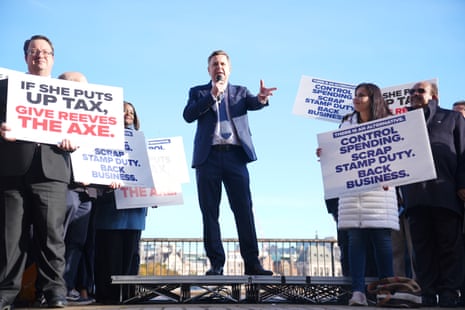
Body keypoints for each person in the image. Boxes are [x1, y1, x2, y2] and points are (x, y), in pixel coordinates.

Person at [183, 50, 277, 276]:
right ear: (209, 70)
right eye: (214, 64)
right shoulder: (198, 92)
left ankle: (252, 263)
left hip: (235, 157)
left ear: (229, 68)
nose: (219, 67)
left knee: (244, 210)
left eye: (223, 64)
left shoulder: (240, 92)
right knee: (210, 212)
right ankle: (216, 264)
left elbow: (253, 103)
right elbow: (188, 115)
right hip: (208, 158)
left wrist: (262, 98)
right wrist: (211, 95)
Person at [0, 35, 77, 309]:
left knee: (51, 235)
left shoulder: (69, 93)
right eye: (33, 51)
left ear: (53, 58)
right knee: (11, 237)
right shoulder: (5, 88)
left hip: (53, 169)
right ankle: (6, 293)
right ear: (25, 57)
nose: (39, 56)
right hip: (13, 169)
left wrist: (75, 140)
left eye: (44, 52)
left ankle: (55, 292)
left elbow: (86, 129)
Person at [317, 83, 399, 306]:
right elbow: (338, 152)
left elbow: (397, 154)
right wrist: (325, 154)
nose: (356, 99)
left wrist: (390, 178)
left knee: (382, 241)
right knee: (355, 241)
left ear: (373, 99)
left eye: (361, 95)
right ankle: (358, 291)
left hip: (379, 193)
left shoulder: (387, 122)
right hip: (352, 193)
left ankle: (386, 291)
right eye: (355, 95)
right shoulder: (346, 123)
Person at [401, 82, 465, 307]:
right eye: (412, 92)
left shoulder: (452, 119)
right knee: (422, 247)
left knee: (449, 245)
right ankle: (427, 292)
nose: (415, 94)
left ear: (434, 96)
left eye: (421, 91)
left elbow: (463, 153)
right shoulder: (401, 124)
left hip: (445, 193)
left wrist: (462, 184)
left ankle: (449, 291)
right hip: (415, 196)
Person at [93, 101, 147, 304]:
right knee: (109, 251)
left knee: (131, 253)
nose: (128, 115)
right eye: (124, 111)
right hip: (111, 205)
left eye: (132, 112)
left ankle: (129, 295)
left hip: (135, 207)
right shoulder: (103, 138)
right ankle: (107, 295)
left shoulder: (142, 142)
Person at [58, 72, 97, 306]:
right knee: (57, 238)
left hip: (87, 192)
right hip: (64, 185)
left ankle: (66, 288)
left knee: (76, 242)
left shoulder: (94, 119)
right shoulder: (55, 115)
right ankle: (49, 289)